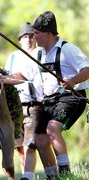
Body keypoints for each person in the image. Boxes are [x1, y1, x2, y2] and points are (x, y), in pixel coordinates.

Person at [31, 11, 89, 178]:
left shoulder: (68, 49)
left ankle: (65, 174)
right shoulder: (38, 53)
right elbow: (24, 76)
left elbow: (87, 70)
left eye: (36, 33)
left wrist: (73, 81)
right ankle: (53, 177)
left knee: (52, 129)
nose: (34, 38)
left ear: (49, 33)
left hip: (72, 98)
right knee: (40, 140)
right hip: (49, 101)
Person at [1, 22, 44, 180]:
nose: (28, 39)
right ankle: (21, 175)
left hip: (35, 104)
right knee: (18, 145)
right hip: (15, 105)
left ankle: (28, 176)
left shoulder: (42, 53)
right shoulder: (12, 57)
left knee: (30, 143)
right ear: (19, 39)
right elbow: (6, 78)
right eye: (25, 37)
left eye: (31, 36)